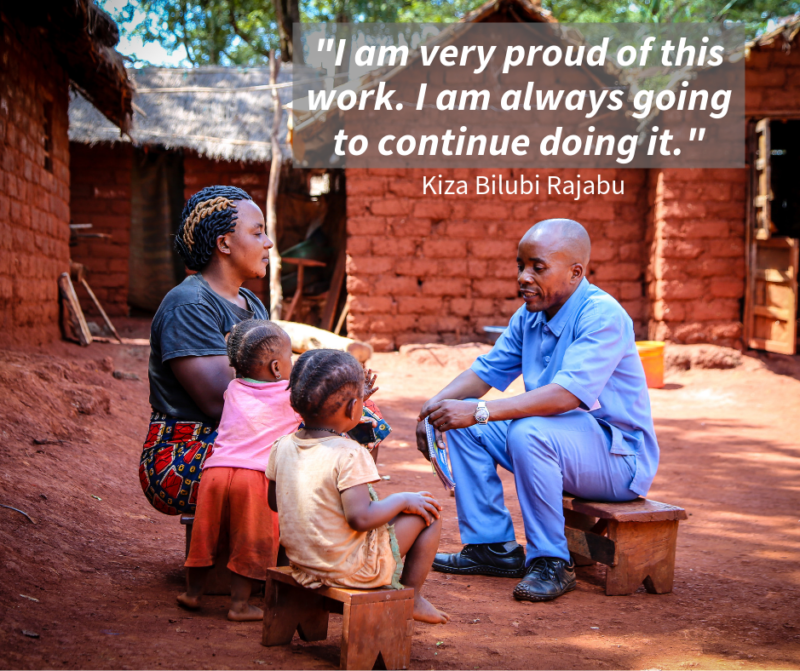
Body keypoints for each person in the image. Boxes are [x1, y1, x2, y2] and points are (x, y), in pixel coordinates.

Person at [417, 219, 659, 603]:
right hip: (559, 443)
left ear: (575, 272)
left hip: (618, 461)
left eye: (537, 267)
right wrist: (432, 410)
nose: (524, 278)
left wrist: (480, 411)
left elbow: (565, 397)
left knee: (524, 430)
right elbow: (485, 373)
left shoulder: (602, 315)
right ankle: (491, 547)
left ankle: (551, 562)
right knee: (460, 419)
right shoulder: (530, 314)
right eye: (520, 266)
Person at [267, 349, 450, 625]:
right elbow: (361, 517)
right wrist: (402, 500)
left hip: (303, 563)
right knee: (428, 512)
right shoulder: (349, 453)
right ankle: (411, 594)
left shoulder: (281, 446)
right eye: (361, 401)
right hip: (348, 568)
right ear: (355, 408)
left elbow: (274, 503)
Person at [140, 185, 272, 515]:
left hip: (243, 439)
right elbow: (220, 402)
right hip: (184, 454)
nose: (268, 243)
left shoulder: (252, 305)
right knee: (314, 445)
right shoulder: (188, 305)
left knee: (357, 415)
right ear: (224, 243)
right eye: (257, 233)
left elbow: (272, 380)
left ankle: (357, 538)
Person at [178, 319, 297, 621]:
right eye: (290, 357)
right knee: (251, 540)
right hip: (255, 477)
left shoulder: (233, 388)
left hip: (215, 472)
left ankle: (192, 594)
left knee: (205, 534)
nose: (292, 362)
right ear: (275, 368)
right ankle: (240, 605)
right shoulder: (291, 396)